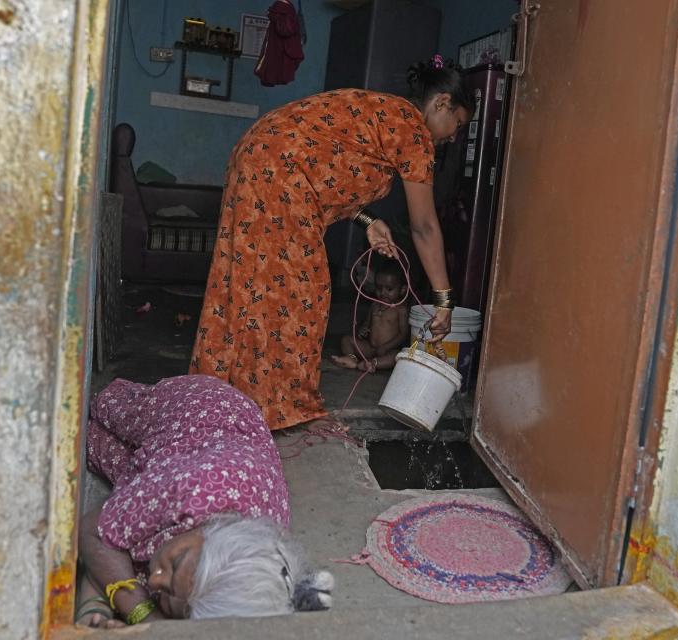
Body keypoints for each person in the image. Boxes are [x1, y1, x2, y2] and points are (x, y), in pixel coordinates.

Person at [190, 55, 474, 430]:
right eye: (456, 125)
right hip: (278, 175)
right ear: (441, 103)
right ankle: (279, 407)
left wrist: (368, 221)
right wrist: (443, 300)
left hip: (260, 158)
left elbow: (326, 168)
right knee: (300, 291)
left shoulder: (385, 113)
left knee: (246, 282)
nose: (453, 137)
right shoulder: (413, 131)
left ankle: (225, 395)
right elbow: (424, 227)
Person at [76, 375, 333, 627]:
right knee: (103, 407)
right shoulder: (192, 491)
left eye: (172, 603)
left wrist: (96, 609)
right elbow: (97, 533)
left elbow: (113, 555)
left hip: (191, 462)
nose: (156, 581)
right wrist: (143, 614)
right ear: (208, 532)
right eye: (174, 565)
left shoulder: (248, 565)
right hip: (207, 409)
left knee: (91, 446)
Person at [331, 259, 409, 372]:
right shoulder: (374, 305)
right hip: (370, 348)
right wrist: (363, 329)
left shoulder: (401, 310)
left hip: (387, 350)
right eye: (378, 288)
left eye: (389, 289)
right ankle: (351, 359)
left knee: (398, 356)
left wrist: (386, 347)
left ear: (402, 289)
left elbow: (403, 334)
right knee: (346, 340)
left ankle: (372, 364)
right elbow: (367, 324)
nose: (382, 293)